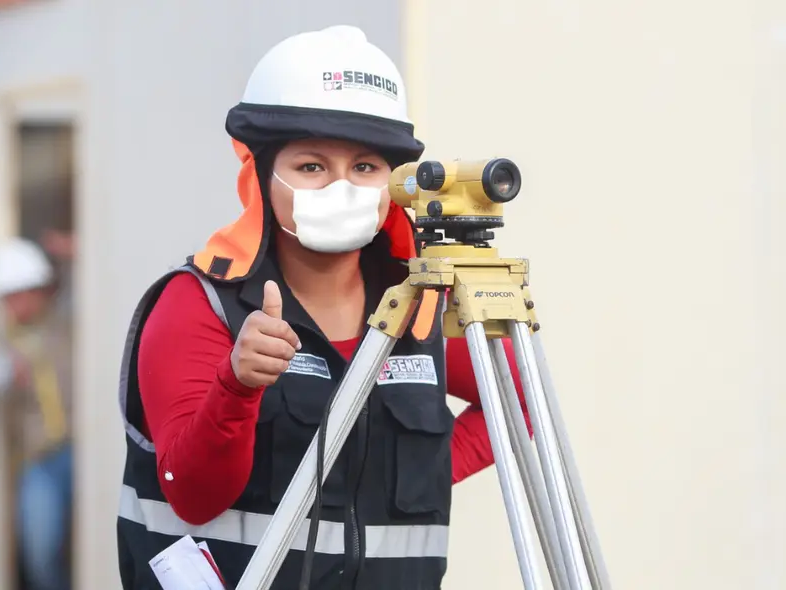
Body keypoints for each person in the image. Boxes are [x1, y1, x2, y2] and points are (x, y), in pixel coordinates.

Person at [116, 25, 531, 590]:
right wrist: (236, 385)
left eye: (365, 167)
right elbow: (191, 495)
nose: (342, 187)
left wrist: (409, 476)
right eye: (312, 167)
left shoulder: (422, 307)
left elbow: (518, 405)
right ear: (261, 174)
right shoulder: (199, 304)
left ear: (395, 181)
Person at [0, 237, 74, 590]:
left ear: (39, 290)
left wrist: (73, 253)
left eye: (19, 295)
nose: (14, 305)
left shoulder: (68, 322)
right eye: (6, 298)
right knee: (39, 552)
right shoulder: (3, 341)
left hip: (82, 451)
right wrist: (8, 374)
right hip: (40, 459)